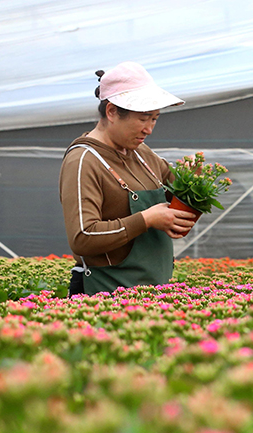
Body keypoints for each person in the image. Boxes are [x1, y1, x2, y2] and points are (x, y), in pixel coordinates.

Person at [59, 62, 198, 296]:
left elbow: (178, 198)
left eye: (154, 119)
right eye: (143, 118)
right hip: (104, 296)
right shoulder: (83, 160)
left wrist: (193, 180)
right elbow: (82, 237)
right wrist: (146, 219)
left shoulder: (142, 154)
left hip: (152, 293)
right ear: (112, 112)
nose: (149, 129)